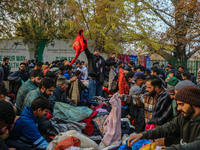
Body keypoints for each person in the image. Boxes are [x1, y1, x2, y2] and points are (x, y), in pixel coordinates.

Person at [128, 85, 200, 150]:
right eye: (178, 104)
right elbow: (167, 128)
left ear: (193, 103)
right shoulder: (183, 117)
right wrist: (142, 135)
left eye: (181, 104)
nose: (178, 108)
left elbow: (196, 146)